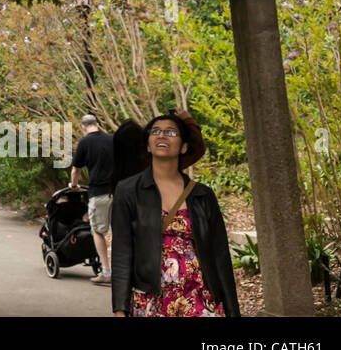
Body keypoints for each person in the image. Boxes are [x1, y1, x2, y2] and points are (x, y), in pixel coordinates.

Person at [110, 110, 239, 317]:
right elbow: (122, 254)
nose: (162, 135)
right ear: (147, 145)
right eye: (156, 131)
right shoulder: (127, 191)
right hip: (150, 302)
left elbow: (220, 257)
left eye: (171, 132)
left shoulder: (202, 195)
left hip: (199, 299)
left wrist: (232, 310)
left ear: (184, 146)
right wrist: (119, 309)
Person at [69, 113, 114, 285]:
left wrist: (74, 185)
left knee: (98, 231)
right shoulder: (112, 139)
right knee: (118, 232)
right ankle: (124, 271)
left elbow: (76, 170)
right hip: (118, 193)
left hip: (99, 193)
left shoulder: (85, 142)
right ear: (98, 123)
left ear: (83, 127)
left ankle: (107, 272)